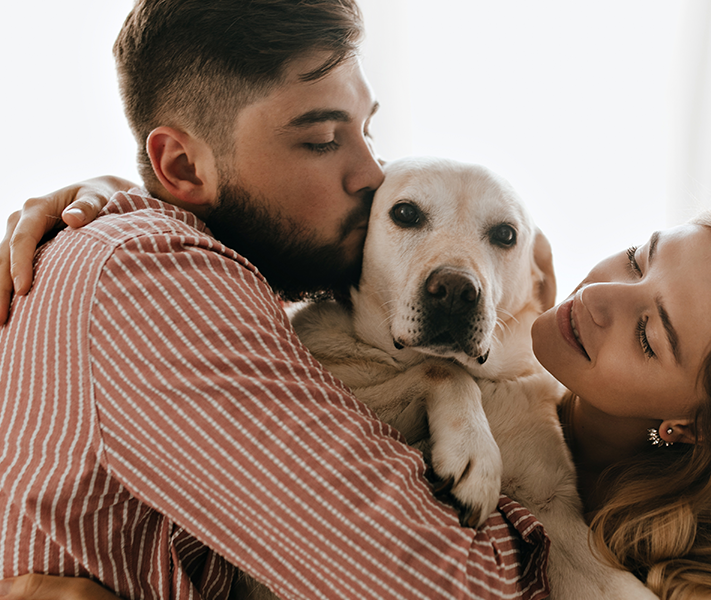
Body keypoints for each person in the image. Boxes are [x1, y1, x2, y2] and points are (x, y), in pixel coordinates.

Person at [3, 191, 711, 599]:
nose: (603, 296)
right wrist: (121, 209)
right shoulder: (498, 346)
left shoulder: (565, 567)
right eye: (642, 255)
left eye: (651, 332)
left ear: (690, 428)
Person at [0, 1, 551, 599]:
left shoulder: (139, 251)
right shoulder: (157, 282)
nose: (372, 174)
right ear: (183, 166)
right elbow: (455, 587)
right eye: (321, 140)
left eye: (367, 131)